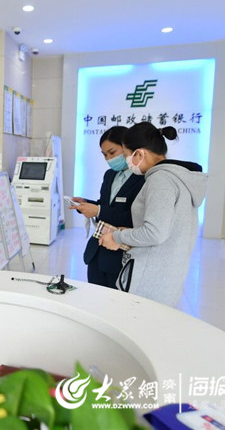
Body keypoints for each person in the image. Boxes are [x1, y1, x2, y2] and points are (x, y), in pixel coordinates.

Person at [99, 122, 207, 306]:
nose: (127, 162)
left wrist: (116, 237)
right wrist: (130, 233)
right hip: (167, 274)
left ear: (140, 154)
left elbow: (155, 232)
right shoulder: (180, 178)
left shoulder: (160, 180)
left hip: (150, 279)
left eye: (127, 156)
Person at [71, 126, 144, 288]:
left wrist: (98, 210)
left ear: (128, 148)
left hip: (119, 253)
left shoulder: (143, 178)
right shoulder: (110, 175)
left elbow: (134, 218)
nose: (109, 159)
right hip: (96, 250)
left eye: (112, 152)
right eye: (104, 155)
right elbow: (106, 205)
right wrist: (87, 204)